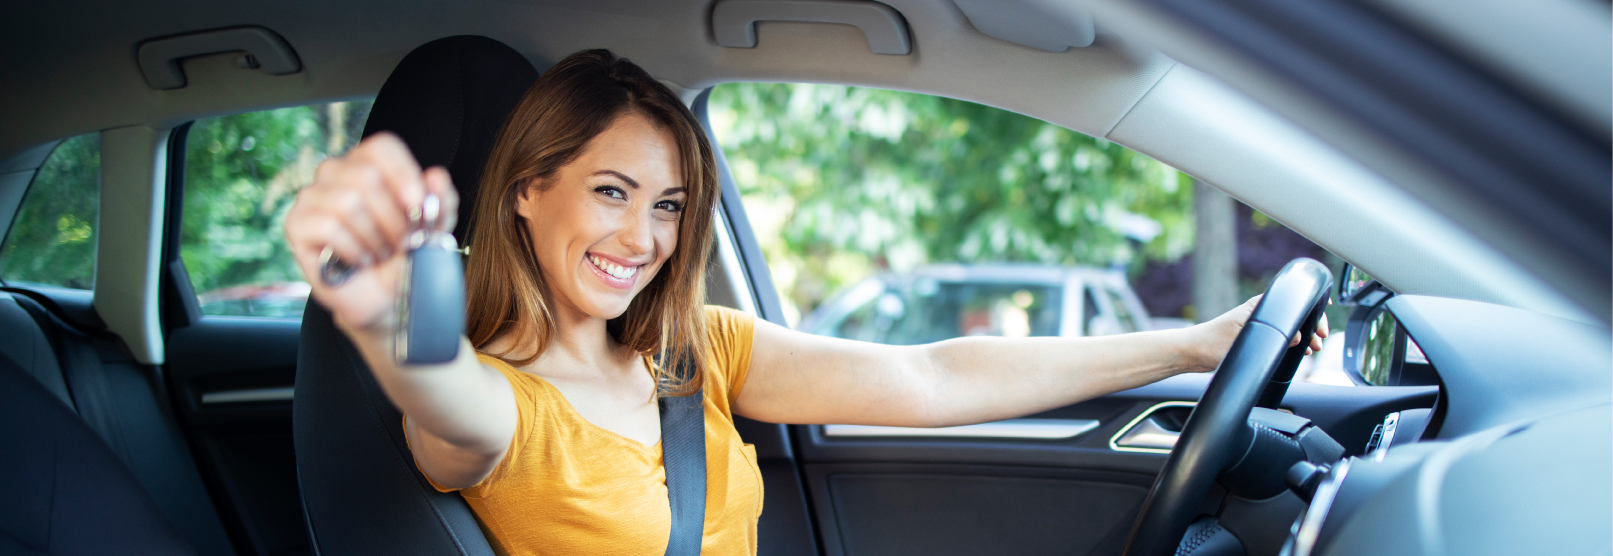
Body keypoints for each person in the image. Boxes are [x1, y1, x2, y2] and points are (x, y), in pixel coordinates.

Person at [283, 49, 1325, 555]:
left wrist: (1192, 346)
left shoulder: (693, 350)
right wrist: (381, 305)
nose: (641, 239)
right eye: (609, 192)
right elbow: (436, 396)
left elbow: (924, 375)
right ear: (524, 190)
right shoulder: (499, 406)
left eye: (667, 205)